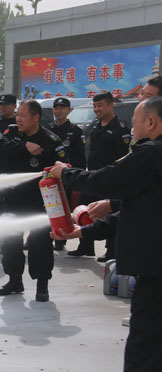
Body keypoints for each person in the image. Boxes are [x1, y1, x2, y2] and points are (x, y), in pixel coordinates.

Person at [49, 96, 162, 372]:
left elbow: (108, 180)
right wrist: (83, 232)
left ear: (152, 123)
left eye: (137, 120)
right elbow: (136, 211)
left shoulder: (151, 153)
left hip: (156, 278)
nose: (132, 127)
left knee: (144, 358)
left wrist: (65, 173)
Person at [0, 99, 68, 302]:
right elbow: (0, 146)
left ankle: (42, 284)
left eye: (23, 115)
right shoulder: (11, 133)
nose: (18, 119)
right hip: (13, 198)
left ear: (36, 117)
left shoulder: (50, 140)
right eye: (17, 114)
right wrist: (24, 145)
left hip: (40, 202)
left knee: (40, 243)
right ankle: (14, 280)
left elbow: (62, 169)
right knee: (10, 242)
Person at [68, 92, 131, 261]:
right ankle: (85, 245)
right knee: (84, 210)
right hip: (93, 177)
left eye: (100, 105)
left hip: (110, 179)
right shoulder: (96, 126)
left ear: (111, 105)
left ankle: (111, 251)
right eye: (95, 106)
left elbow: (123, 158)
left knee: (111, 213)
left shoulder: (121, 129)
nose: (97, 109)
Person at [48, 97, 87, 251]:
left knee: (64, 208)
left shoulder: (75, 131)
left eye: (62, 108)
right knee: (48, 207)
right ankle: (45, 236)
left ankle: (60, 239)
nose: (58, 111)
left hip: (67, 176)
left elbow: (80, 157)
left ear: (69, 110)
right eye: (56, 108)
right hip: (50, 176)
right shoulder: (47, 129)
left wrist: (77, 177)